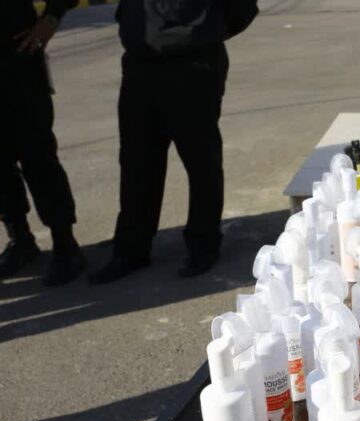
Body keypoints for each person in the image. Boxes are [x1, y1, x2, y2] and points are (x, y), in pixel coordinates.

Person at [90, 0, 258, 283]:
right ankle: (132, 249)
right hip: (140, 63)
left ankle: (203, 244)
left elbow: (241, 8)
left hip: (192, 65)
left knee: (200, 160)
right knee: (136, 162)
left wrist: (204, 32)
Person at [1, 0, 86, 286]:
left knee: (38, 157)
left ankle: (65, 245)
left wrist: (51, 18)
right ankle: (20, 240)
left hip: (17, 61)